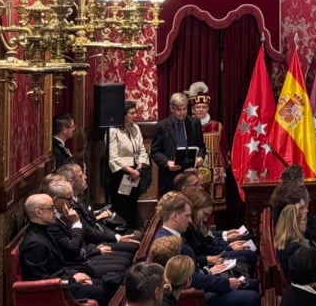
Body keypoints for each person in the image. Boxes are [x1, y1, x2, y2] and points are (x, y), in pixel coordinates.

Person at [154, 191, 260, 306]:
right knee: (252, 297)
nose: (190, 220)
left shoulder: (177, 234)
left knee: (251, 283)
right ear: (174, 216)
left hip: (204, 279)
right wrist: (226, 283)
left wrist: (209, 271)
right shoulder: (167, 243)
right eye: (187, 216)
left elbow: (195, 264)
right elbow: (190, 278)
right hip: (198, 293)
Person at [19, 193, 110, 305]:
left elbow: (60, 266)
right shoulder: (34, 244)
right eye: (51, 208)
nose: (55, 211)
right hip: (57, 290)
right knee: (104, 290)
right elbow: (41, 280)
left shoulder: (44, 231)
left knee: (108, 283)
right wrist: (73, 279)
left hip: (64, 281)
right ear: (39, 213)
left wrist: (73, 275)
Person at [151, 92, 206, 196]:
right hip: (171, 176)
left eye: (184, 109)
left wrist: (200, 157)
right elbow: (155, 152)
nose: (182, 113)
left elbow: (201, 146)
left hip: (191, 175)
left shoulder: (195, 123)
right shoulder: (162, 126)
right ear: (172, 109)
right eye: (179, 110)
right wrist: (167, 162)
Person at [107, 100, 150, 229]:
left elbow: (142, 149)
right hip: (121, 173)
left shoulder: (135, 128)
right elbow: (113, 157)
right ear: (123, 115)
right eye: (131, 113)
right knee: (121, 204)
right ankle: (121, 230)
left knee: (132, 203)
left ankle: (132, 229)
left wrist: (139, 166)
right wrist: (130, 171)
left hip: (136, 171)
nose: (134, 115)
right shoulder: (113, 131)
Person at [188, 82, 230, 213]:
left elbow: (224, 149)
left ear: (207, 109)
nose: (200, 109)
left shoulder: (217, 126)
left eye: (203, 107)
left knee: (212, 204)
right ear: (193, 110)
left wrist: (224, 168)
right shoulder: (187, 126)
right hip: (194, 169)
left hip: (215, 170)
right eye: (198, 107)